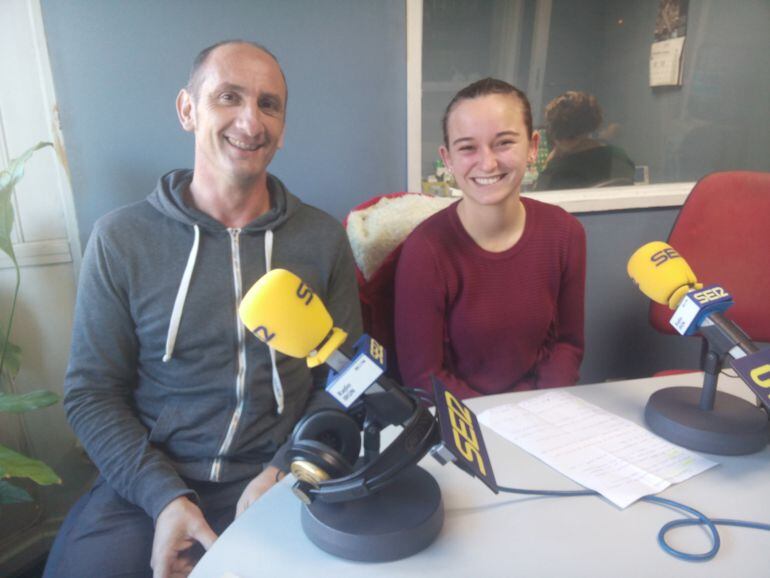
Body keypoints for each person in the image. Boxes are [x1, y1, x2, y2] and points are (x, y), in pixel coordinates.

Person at [43, 40, 362, 578]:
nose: (250, 121)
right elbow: (91, 394)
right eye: (228, 97)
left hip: (279, 476)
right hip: (147, 481)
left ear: (282, 127)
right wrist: (164, 497)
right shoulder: (121, 240)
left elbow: (346, 380)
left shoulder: (322, 239)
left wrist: (285, 470)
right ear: (188, 110)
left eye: (269, 104)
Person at [394, 78, 585, 399]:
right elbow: (424, 375)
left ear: (534, 147)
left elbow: (568, 344)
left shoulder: (565, 233)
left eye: (504, 142)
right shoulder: (425, 251)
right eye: (467, 147)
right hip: (464, 422)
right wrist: (498, 423)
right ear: (448, 159)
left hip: (541, 412)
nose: (488, 163)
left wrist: (540, 409)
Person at [534, 90, 635, 190]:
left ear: (556, 131)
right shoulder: (619, 157)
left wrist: (550, 162)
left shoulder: (557, 171)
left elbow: (538, 199)